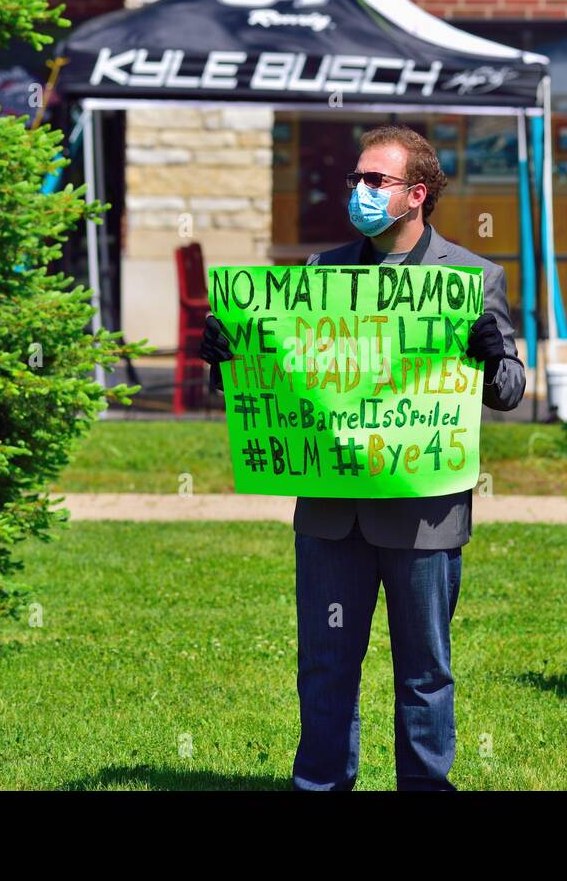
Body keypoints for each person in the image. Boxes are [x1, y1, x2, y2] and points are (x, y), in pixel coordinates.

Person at [201, 124, 524, 790]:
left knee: (426, 669)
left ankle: (427, 786)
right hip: (331, 515)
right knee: (324, 663)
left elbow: (511, 390)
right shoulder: (321, 274)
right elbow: (288, 378)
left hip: (423, 516)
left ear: (418, 193)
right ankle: (319, 784)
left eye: (375, 180)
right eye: (357, 179)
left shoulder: (470, 278)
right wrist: (230, 361)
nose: (360, 190)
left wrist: (493, 356)